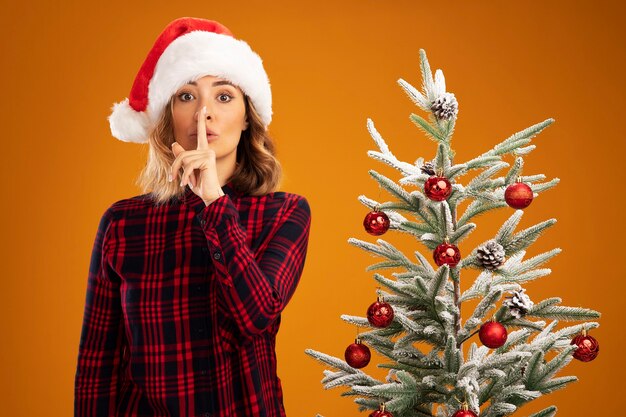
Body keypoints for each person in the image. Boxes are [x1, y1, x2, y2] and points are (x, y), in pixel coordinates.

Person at [74, 17, 311, 417]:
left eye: (223, 96)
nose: (204, 113)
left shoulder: (284, 212)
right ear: (168, 117)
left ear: (248, 115)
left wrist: (214, 202)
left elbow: (255, 317)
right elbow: (98, 363)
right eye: (186, 96)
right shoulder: (122, 223)